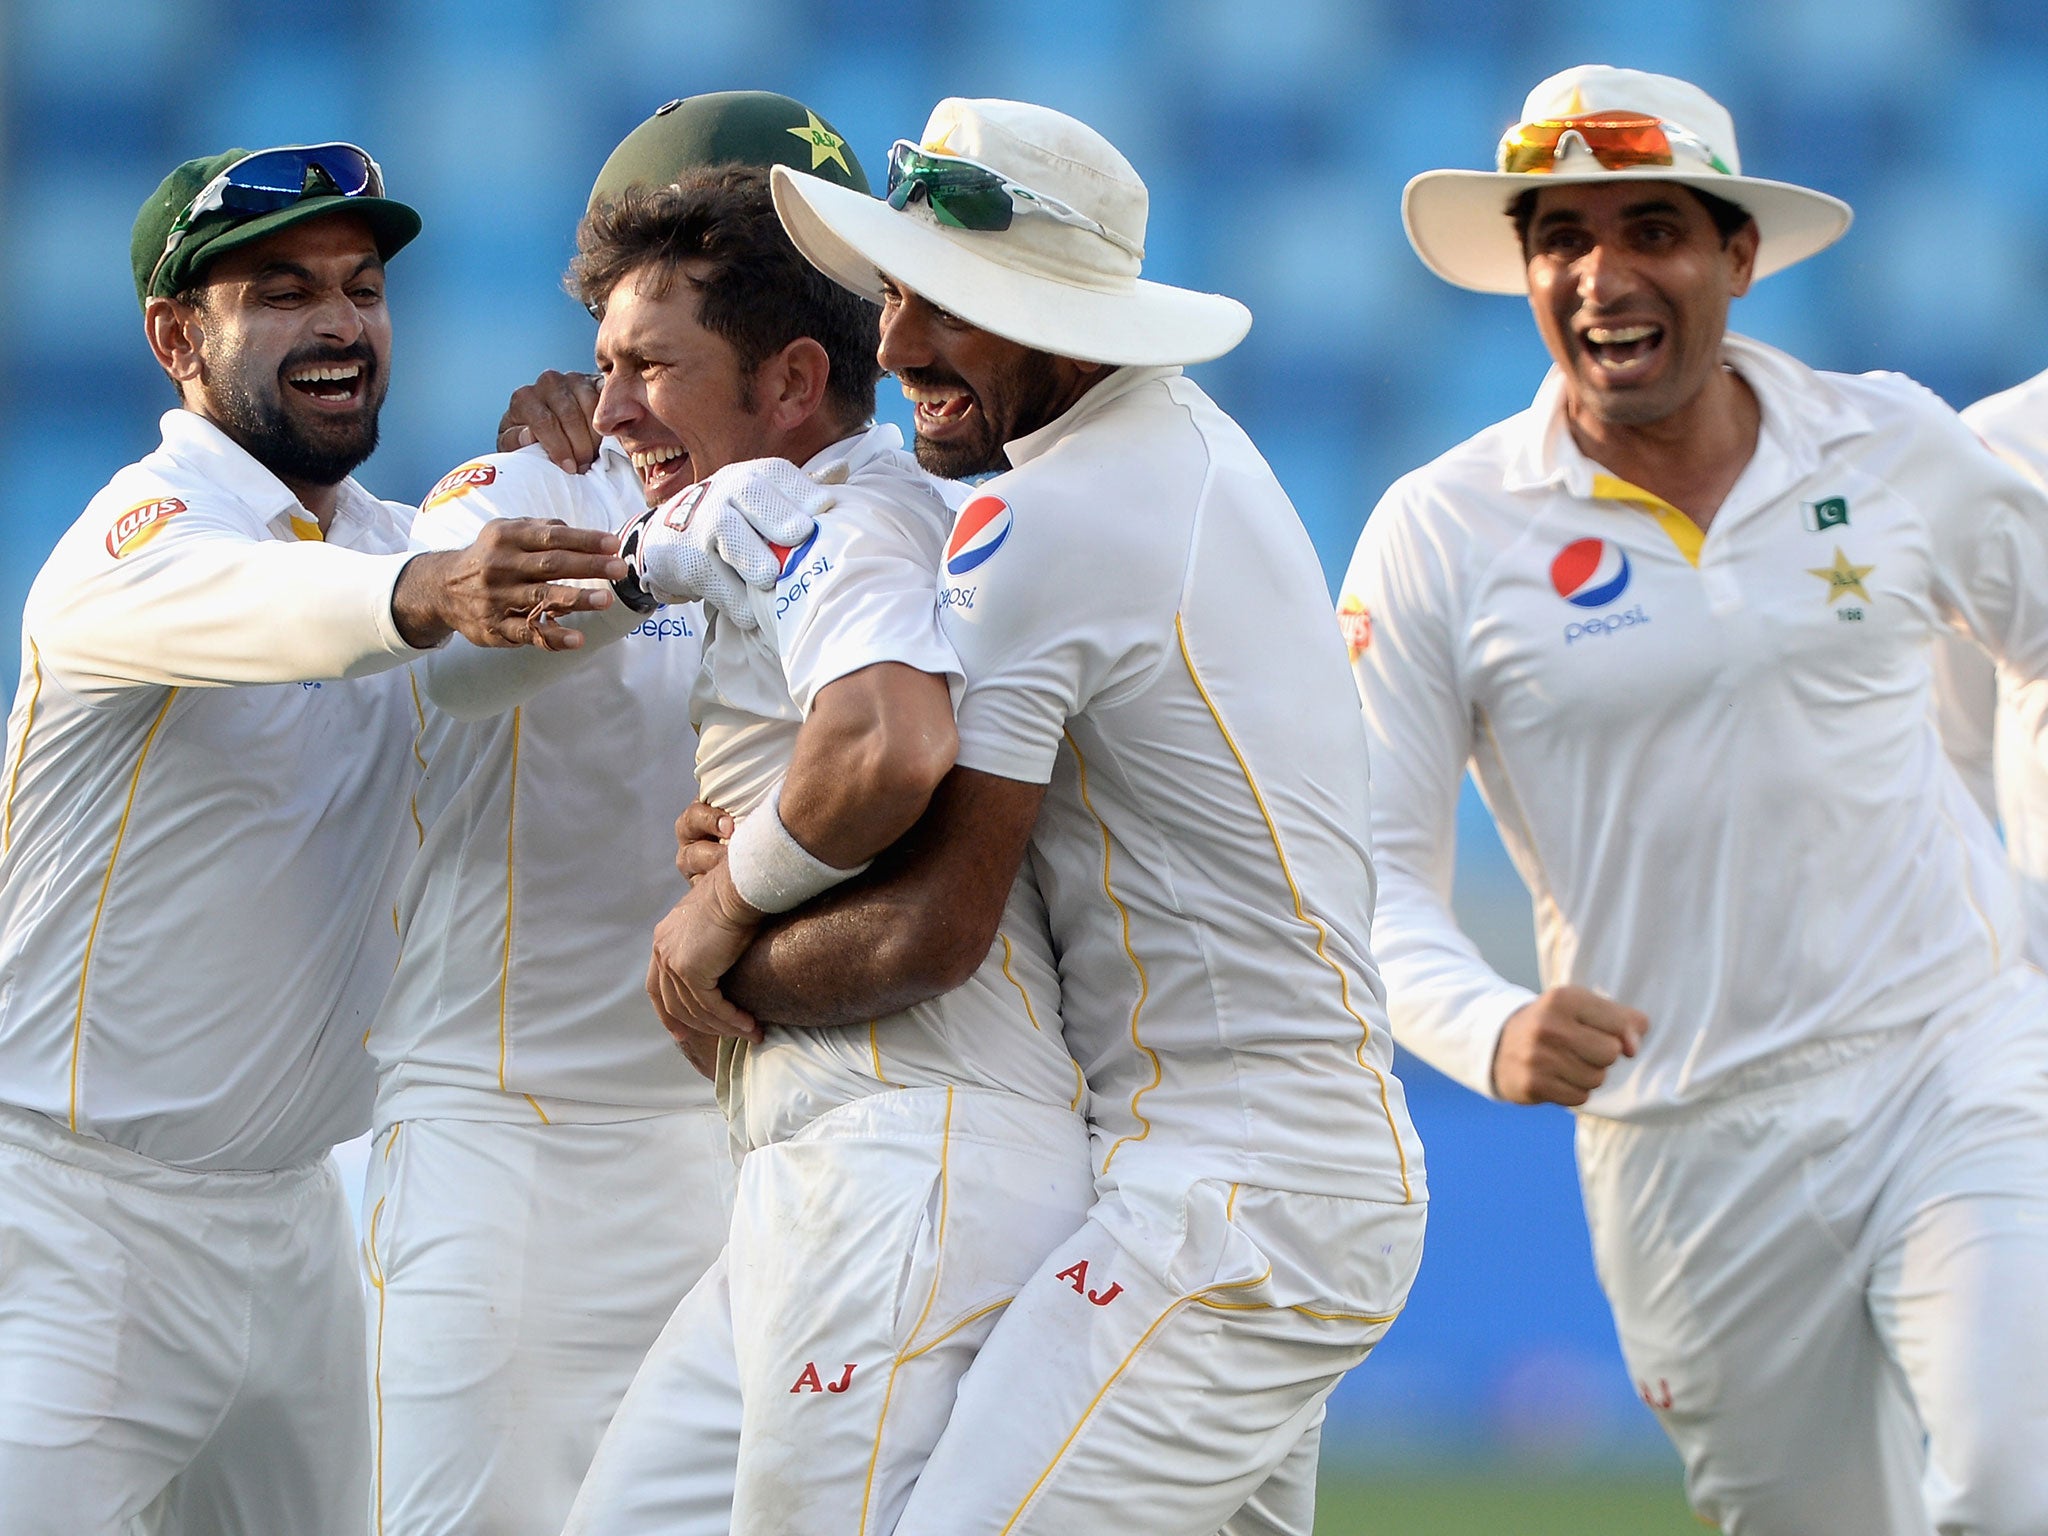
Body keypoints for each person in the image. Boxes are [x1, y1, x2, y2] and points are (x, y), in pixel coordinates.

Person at [654, 97, 1428, 1536]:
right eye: (892, 296)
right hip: (1257, 1171)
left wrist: (715, 945)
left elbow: (934, 928)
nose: (894, 352)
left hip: (1232, 1190)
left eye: (944, 308)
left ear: (1060, 322)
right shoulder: (1171, 450)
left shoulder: (1052, 518)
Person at [1346, 63, 2048, 1535]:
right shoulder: (1440, 532)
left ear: (1738, 256)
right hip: (1688, 1145)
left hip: (1954, 1060)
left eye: (1653, 228)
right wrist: (1491, 1027)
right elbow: (1368, 883)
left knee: (2006, 1484)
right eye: (1562, 240)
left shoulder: (1892, 445)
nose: (1605, 277)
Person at [0, 143, 624, 1535]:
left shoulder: (397, 547)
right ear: (177, 340)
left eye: (362, 288)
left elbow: (496, 581)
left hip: (297, 1238)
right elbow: (300, 602)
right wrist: (435, 586)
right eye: (280, 294)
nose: (341, 324)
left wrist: (576, 450)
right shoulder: (133, 541)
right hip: (65, 1222)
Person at [558, 160, 1093, 1536]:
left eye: (649, 369)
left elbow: (890, 747)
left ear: (795, 383)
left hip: (909, 1152)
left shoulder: (832, 513)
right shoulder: (832, 522)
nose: (612, 411)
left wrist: (721, 908)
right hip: (826, 1155)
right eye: (604, 367)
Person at [359, 93, 869, 1536]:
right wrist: (644, 557)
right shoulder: (531, 479)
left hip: (733, 1155)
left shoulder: (865, 523)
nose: (628, 393)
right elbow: (451, 673)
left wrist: (748, 854)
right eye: (614, 356)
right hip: (507, 1155)